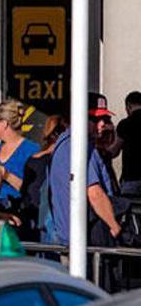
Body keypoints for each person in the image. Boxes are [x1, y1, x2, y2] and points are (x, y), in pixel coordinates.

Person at [49, 94, 122, 246]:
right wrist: (115, 226)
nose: (102, 124)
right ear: (79, 117)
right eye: (95, 119)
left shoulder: (65, 143)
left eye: (105, 119)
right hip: (81, 242)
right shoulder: (79, 147)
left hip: (71, 238)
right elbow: (94, 193)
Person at [18, 115, 66, 242]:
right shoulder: (62, 159)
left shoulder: (33, 160)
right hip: (54, 221)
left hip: (34, 219)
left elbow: (25, 191)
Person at [0, 99, 40, 212]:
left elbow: (33, 190)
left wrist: (6, 175)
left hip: (19, 211)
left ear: (4, 123)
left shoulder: (32, 150)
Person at [111, 91, 141, 196]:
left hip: (131, 178)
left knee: (130, 209)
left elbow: (114, 151)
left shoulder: (125, 124)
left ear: (128, 106)